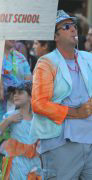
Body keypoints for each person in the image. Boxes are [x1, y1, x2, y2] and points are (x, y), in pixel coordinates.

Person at [31, 10, 92, 179]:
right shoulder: (46, 63)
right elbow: (39, 104)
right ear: (55, 37)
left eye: (73, 25)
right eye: (66, 26)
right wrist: (76, 113)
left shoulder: (88, 58)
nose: (73, 29)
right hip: (60, 145)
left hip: (89, 141)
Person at [0, 80, 42, 180]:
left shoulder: (38, 119)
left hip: (34, 163)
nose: (15, 95)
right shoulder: (10, 115)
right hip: (15, 163)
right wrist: (8, 121)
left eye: (20, 92)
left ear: (31, 96)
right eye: (14, 93)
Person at [0, 40, 31, 121]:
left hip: (20, 111)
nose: (13, 38)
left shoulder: (21, 58)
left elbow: (29, 84)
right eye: (9, 33)